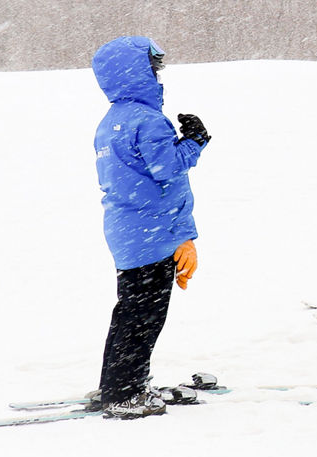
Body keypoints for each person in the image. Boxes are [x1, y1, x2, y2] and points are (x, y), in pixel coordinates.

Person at [91, 36, 211, 419]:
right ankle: (124, 394)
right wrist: (194, 141)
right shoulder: (145, 119)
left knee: (129, 313)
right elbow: (167, 170)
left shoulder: (111, 122)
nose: (159, 73)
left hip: (127, 230)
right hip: (151, 232)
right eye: (153, 65)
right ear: (136, 72)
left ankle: (120, 383)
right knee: (143, 318)